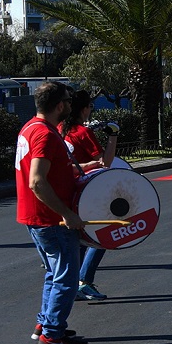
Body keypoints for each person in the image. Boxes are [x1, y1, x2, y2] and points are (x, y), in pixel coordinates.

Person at [17, 82, 89, 344]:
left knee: (54, 273)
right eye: (69, 101)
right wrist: (67, 213)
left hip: (38, 217)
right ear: (59, 105)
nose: (71, 106)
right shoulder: (45, 135)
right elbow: (37, 181)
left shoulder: (31, 127)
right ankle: (53, 336)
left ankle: (45, 325)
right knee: (67, 278)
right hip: (51, 220)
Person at [62, 90, 120, 302]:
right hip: (90, 191)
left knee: (77, 239)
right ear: (84, 108)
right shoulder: (82, 133)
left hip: (68, 192)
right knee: (102, 235)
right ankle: (84, 281)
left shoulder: (59, 129)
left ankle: (72, 284)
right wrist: (113, 134)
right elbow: (106, 162)